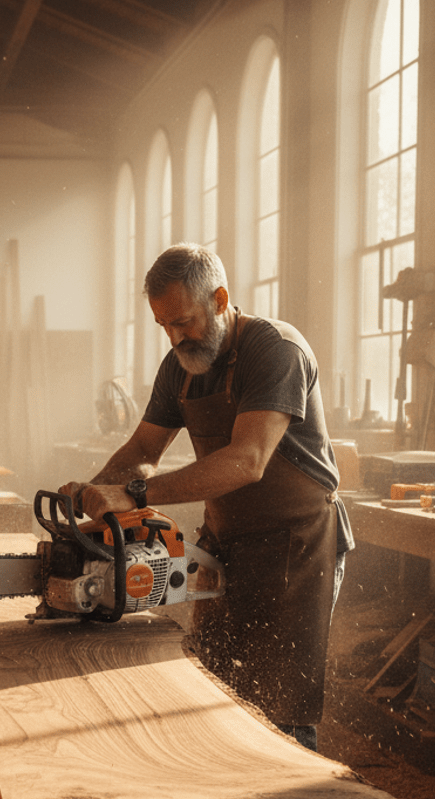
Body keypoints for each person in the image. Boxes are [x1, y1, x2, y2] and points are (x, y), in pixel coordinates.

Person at [61, 244, 352, 751]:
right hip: (226, 540)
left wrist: (132, 494)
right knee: (215, 684)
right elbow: (144, 448)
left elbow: (248, 460)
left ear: (219, 299)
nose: (175, 337)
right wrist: (93, 494)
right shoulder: (181, 366)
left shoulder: (276, 350)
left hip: (294, 544)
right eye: (163, 326)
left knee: (279, 704)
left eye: (183, 321)